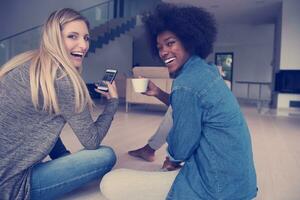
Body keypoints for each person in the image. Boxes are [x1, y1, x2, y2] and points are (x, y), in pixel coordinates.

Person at [100, 3, 257, 200]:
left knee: (110, 183)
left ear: (188, 40)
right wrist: (158, 92)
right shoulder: (206, 71)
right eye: (159, 47)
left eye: (170, 43)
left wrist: (173, 159)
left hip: (216, 188)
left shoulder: (186, 84)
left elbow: (180, 148)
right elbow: (188, 107)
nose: (164, 51)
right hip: (240, 184)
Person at [0, 8, 119, 200]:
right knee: (106, 154)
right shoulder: (63, 79)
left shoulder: (26, 64)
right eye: (73, 36)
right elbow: (92, 141)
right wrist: (113, 103)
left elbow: (40, 124)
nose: (83, 45)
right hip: (11, 187)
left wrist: (63, 158)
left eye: (86, 38)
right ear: (55, 38)